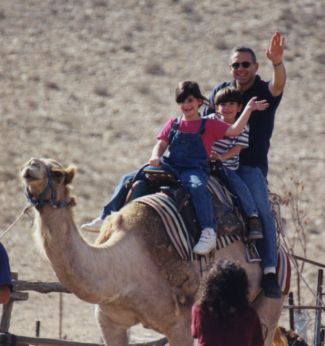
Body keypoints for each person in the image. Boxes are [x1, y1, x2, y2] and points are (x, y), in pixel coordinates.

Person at [204, 32, 286, 298]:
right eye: (236, 65)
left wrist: (277, 62)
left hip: (249, 166)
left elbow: (278, 85)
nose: (240, 69)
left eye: (246, 64)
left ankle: (270, 271)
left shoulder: (263, 90)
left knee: (262, 210)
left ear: (256, 67)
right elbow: (205, 125)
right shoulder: (220, 91)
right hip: (216, 164)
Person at [148, 81, 267, 255]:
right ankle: (110, 214)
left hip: (208, 166)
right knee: (132, 178)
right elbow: (161, 143)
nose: (186, 105)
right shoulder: (176, 123)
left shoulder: (209, 124)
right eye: (182, 101)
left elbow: (235, 134)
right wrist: (155, 156)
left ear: (199, 102)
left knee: (202, 186)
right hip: (172, 165)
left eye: (189, 100)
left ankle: (219, 227)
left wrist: (249, 109)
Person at [211, 87, 263, 241]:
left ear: (240, 107)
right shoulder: (210, 120)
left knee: (239, 186)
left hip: (226, 166)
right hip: (206, 163)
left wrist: (221, 157)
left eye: (232, 104)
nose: (226, 108)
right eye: (223, 104)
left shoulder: (243, 126)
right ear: (216, 107)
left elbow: (236, 149)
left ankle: (252, 217)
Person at [191, 260, 264, 346]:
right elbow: (257, 343)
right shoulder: (249, 314)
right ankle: (270, 271)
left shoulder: (199, 309)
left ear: (209, 286)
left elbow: (195, 334)